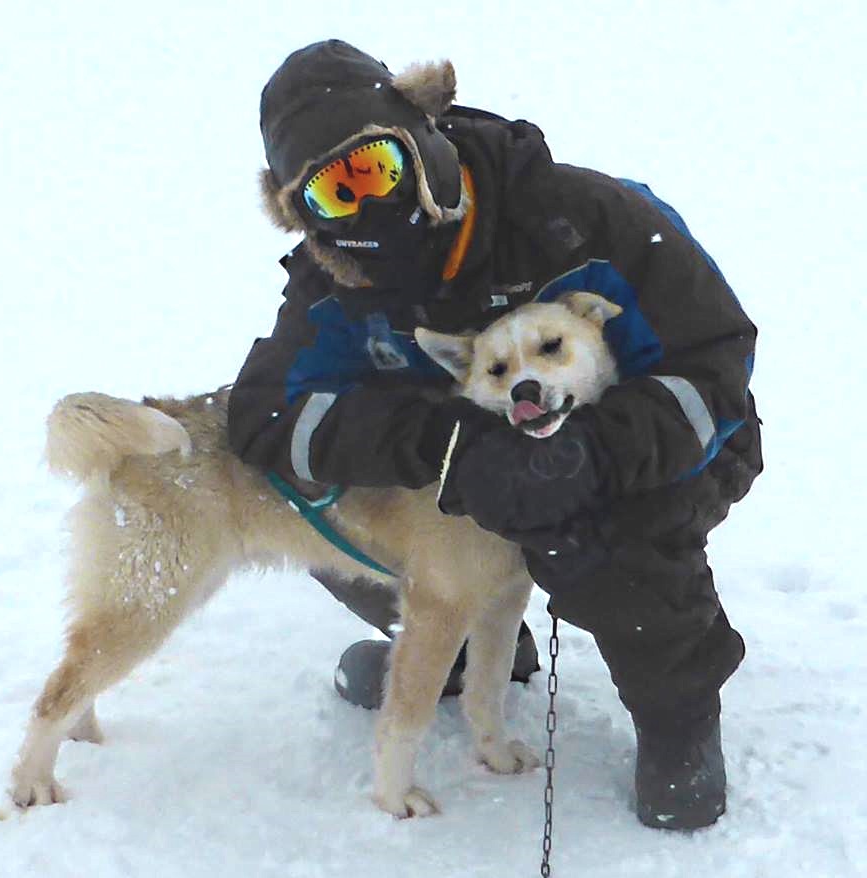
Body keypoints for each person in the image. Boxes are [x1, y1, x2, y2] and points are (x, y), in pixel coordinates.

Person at [228, 39, 762, 831]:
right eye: (332, 196)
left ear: (421, 139)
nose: (366, 204)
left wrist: (593, 455)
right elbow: (267, 416)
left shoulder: (582, 219)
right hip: (469, 471)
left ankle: (676, 713)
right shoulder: (336, 281)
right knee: (325, 498)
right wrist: (444, 444)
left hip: (665, 444)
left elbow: (712, 366)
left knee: (610, 538)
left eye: (375, 166)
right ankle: (472, 654)